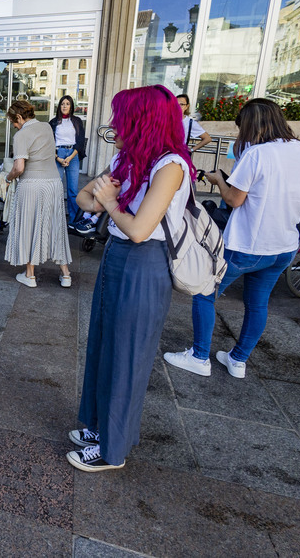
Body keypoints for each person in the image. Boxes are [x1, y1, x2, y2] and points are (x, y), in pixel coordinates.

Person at [69, 84, 193, 472]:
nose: (113, 124)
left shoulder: (170, 166)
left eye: (119, 116)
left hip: (145, 263)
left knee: (127, 355)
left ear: (141, 120)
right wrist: (105, 199)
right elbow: (83, 198)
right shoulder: (130, 157)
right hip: (117, 256)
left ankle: (113, 449)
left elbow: (140, 229)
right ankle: (101, 426)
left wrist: (109, 203)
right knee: (104, 344)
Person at [164, 98, 300, 380]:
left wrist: (219, 180)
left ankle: (199, 357)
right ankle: (238, 359)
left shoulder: (257, 154)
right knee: (258, 304)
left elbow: (234, 199)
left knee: (204, 292)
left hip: (248, 244)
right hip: (284, 245)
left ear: (251, 125)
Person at [4, 100, 71, 288]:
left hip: (32, 184)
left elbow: (19, 167)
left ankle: (30, 275)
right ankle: (66, 275)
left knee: (29, 226)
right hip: (54, 183)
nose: (15, 126)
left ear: (18, 117)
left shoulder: (21, 135)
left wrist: (8, 179)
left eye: (14, 122)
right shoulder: (47, 127)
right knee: (56, 226)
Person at [49, 95, 85, 230]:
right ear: (59, 106)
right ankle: (54, 219)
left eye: (67, 104)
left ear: (71, 106)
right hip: (57, 155)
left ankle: (73, 221)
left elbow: (80, 141)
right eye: (62, 104)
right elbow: (49, 143)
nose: (64, 106)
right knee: (56, 189)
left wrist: (70, 158)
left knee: (72, 190)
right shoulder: (53, 122)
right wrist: (58, 158)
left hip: (73, 155)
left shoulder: (76, 121)